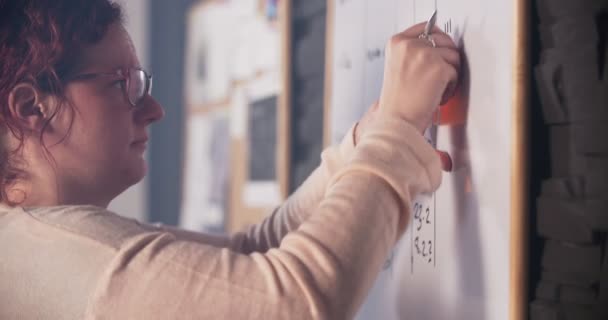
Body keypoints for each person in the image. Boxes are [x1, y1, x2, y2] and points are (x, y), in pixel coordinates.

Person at [0, 1, 460, 319]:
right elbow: (294, 306)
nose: (154, 109)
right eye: (124, 84)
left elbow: (252, 252)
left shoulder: (36, 239)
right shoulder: (74, 264)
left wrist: (362, 143)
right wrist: (397, 128)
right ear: (31, 108)